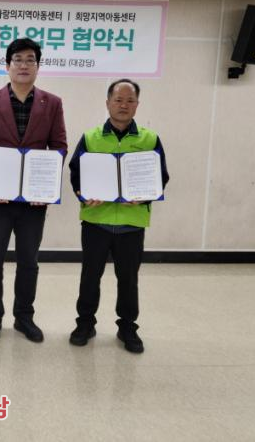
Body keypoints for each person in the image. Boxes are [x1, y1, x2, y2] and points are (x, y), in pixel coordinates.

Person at [0, 38, 67, 343]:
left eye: (30, 60)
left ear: (38, 66)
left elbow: (59, 147)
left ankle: (24, 317)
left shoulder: (52, 103)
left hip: (33, 202)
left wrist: (45, 186)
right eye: (18, 59)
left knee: (28, 261)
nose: (24, 65)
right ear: (7, 65)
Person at [68, 79, 169, 354]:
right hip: (96, 221)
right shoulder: (91, 137)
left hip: (131, 223)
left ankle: (127, 327)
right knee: (90, 276)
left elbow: (161, 176)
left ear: (137, 105)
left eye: (129, 101)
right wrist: (82, 193)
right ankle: (85, 324)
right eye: (118, 100)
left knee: (128, 279)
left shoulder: (149, 139)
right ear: (107, 103)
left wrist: (146, 195)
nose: (123, 105)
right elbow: (76, 172)